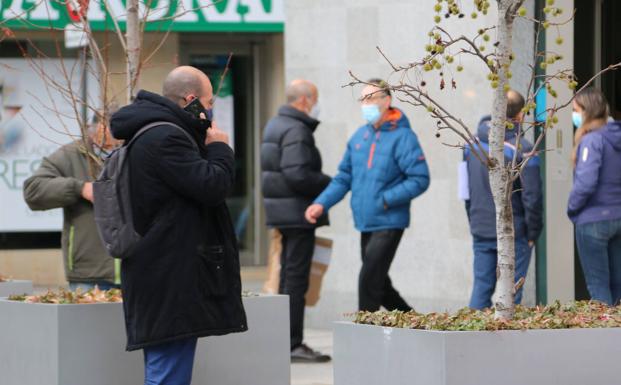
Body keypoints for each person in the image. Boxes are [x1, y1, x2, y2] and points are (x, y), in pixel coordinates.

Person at [109, 66, 247, 385]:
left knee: (166, 366)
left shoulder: (151, 132)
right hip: (169, 274)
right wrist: (220, 148)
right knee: (167, 371)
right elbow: (212, 186)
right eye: (209, 101)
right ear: (191, 99)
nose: (211, 110)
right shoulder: (167, 137)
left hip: (162, 270)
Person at [305, 78, 430, 313]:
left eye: (370, 98)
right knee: (379, 283)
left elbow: (420, 179)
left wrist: (386, 199)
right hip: (366, 221)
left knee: (368, 281)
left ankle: (365, 331)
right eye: (362, 99)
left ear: (387, 101)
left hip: (389, 221)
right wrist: (321, 204)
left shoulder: (404, 137)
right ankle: (414, 322)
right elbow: (344, 178)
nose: (365, 104)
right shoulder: (359, 137)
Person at [260, 79, 332, 363]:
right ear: (304, 100)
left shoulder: (275, 124)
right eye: (314, 99)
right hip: (298, 214)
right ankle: (292, 342)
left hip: (283, 212)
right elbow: (297, 174)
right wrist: (331, 182)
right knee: (295, 280)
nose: (316, 105)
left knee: (287, 278)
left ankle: (284, 339)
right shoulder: (296, 129)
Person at [23, 111, 122, 291]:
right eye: (104, 138)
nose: (109, 145)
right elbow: (33, 190)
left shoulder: (136, 152)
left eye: (116, 139)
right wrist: (79, 188)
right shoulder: (71, 154)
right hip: (89, 273)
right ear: (91, 131)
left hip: (136, 270)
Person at [462, 90, 543, 309]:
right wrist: (533, 232)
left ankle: (472, 339)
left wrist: (474, 219)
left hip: (480, 226)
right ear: (521, 116)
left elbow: (465, 190)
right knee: (511, 292)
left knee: (481, 287)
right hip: (514, 229)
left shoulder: (470, 145)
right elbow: (532, 196)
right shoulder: (522, 149)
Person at [568, 87, 621, 305]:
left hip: (593, 220)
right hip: (618, 217)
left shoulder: (592, 141)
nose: (574, 114)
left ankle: (606, 337)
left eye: (575, 109)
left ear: (587, 111)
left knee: (598, 285)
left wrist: (572, 208)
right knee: (617, 284)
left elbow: (586, 183)